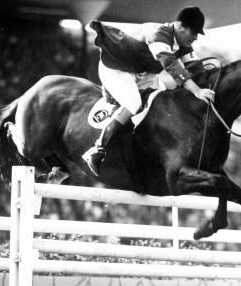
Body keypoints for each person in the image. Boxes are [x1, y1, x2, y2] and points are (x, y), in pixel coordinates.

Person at [82, 6, 216, 176]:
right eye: (194, 32)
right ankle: (97, 150)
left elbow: (196, 68)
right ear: (181, 26)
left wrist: (213, 82)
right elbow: (170, 64)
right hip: (116, 69)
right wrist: (196, 91)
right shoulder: (158, 34)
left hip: (142, 72)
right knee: (134, 103)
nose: (196, 38)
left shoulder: (182, 44)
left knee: (163, 102)